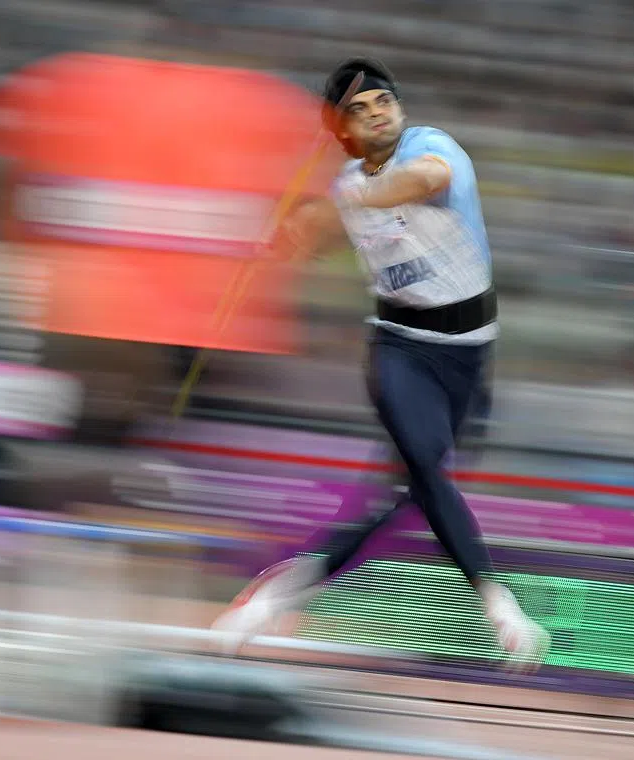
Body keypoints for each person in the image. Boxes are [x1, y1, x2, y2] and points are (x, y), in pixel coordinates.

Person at [211, 58, 550, 670]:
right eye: (359, 111)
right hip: (400, 348)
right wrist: (289, 238)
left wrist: (354, 197)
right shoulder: (347, 185)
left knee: (393, 501)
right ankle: (499, 606)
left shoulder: (432, 148)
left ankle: (272, 599)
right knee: (425, 471)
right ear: (342, 129)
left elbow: (421, 181)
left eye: (383, 102)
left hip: (470, 360)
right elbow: (323, 228)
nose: (376, 115)